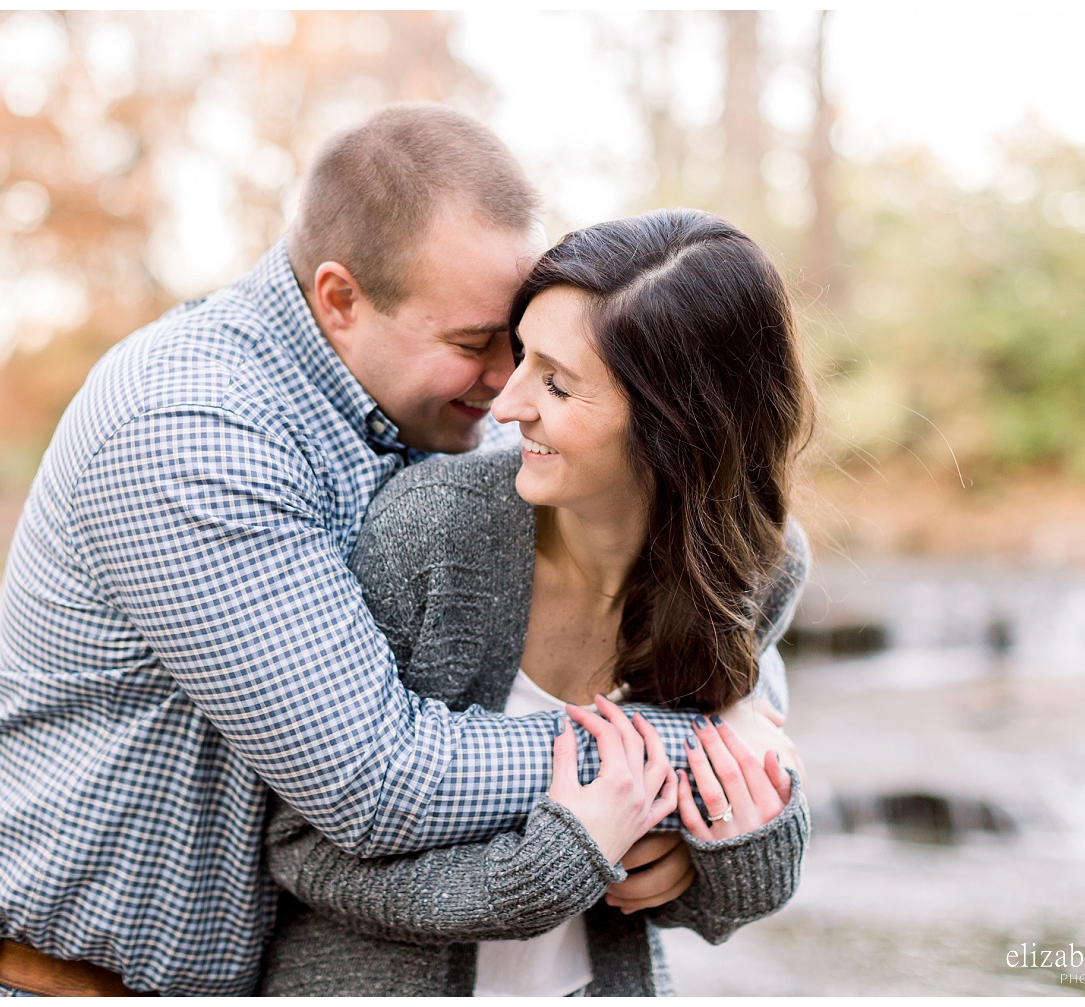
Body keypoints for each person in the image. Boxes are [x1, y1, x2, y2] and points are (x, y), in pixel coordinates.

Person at [0, 104, 718, 998]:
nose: (509, 387)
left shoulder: (435, 410)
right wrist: (692, 757)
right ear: (340, 299)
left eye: (523, 345)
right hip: (53, 981)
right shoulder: (193, 429)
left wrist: (751, 714)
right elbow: (378, 779)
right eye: (474, 344)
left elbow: (677, 548)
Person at [257, 208, 816, 996]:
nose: (507, 402)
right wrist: (554, 861)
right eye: (522, 357)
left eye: (555, 382)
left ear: (674, 422)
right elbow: (298, 847)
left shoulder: (760, 564)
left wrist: (710, 853)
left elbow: (726, 898)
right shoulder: (432, 528)